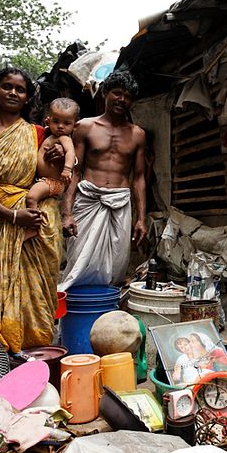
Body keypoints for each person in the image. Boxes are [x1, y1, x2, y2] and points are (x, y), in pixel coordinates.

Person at [0, 67, 61, 353]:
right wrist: (12, 215)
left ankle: (36, 351)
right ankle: (2, 352)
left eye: (20, 89)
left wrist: (59, 159)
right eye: (7, 86)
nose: (13, 93)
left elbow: (55, 181)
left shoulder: (38, 133)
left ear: (28, 98)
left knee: (36, 291)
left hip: (36, 220)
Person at [60, 70, 147, 289]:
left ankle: (105, 314)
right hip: (88, 200)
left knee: (116, 264)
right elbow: (74, 173)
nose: (122, 99)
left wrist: (141, 219)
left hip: (120, 201)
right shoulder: (85, 127)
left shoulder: (137, 134)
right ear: (104, 93)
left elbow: (138, 177)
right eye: (117, 93)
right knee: (79, 258)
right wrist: (67, 213)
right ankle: (75, 313)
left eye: (127, 96)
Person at [24, 97, 78, 225]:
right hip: (44, 181)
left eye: (66, 123)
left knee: (31, 198)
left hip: (52, 182)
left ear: (74, 125)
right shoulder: (49, 134)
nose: (60, 126)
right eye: (56, 121)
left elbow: (70, 152)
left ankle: (33, 225)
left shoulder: (65, 138)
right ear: (48, 120)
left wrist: (67, 169)